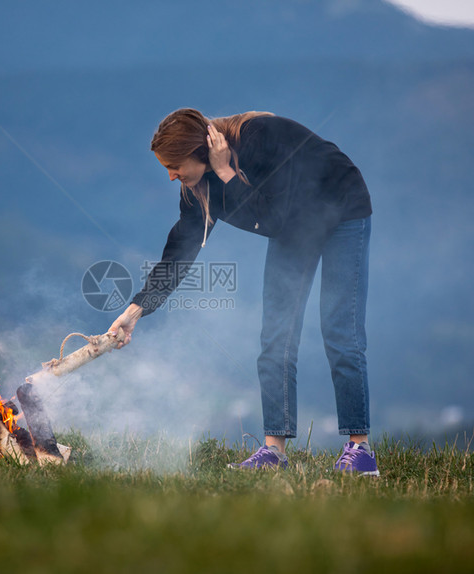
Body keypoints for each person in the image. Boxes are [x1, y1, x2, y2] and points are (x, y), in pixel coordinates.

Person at [109, 108, 379, 475]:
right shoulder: (197, 188)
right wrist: (135, 310)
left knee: (339, 329)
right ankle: (274, 452)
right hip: (293, 227)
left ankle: (360, 451)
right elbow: (178, 254)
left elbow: (272, 219)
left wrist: (226, 172)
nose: (171, 175)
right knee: (276, 337)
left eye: (174, 165)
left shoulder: (259, 138)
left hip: (342, 210)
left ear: (199, 152)